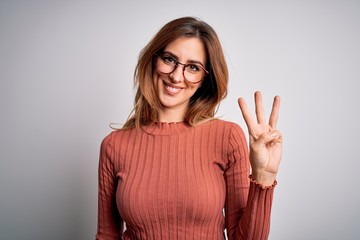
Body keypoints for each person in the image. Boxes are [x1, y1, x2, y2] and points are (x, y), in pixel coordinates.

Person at [96, 16, 282, 240]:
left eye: (192, 67)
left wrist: (263, 175)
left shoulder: (227, 137)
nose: (176, 76)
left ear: (205, 79)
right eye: (169, 59)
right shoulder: (114, 145)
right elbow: (107, 235)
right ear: (154, 60)